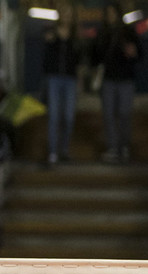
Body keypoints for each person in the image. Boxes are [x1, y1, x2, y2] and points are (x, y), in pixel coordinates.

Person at [91, 2, 142, 163]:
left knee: (124, 113)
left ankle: (124, 146)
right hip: (108, 80)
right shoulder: (102, 33)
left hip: (126, 79)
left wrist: (133, 53)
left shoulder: (128, 32)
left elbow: (140, 54)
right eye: (108, 13)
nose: (111, 16)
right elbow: (95, 56)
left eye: (113, 13)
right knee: (109, 115)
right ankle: (113, 147)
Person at [43, 2, 82, 164]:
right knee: (53, 116)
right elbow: (46, 54)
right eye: (64, 13)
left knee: (69, 116)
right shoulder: (51, 32)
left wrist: (79, 80)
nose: (66, 16)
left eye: (69, 13)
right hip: (54, 78)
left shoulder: (76, 36)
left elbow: (78, 60)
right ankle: (52, 152)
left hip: (70, 79)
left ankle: (64, 150)